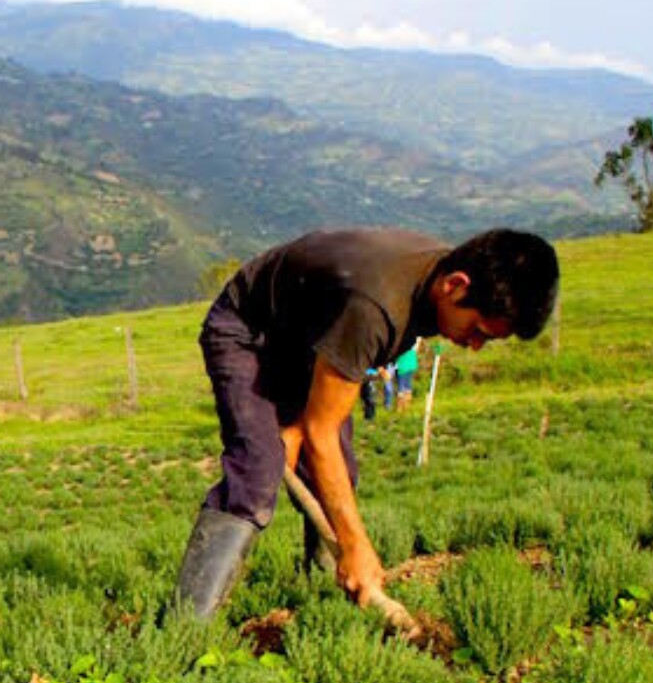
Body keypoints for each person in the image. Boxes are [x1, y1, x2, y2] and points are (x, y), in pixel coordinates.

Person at [174, 227, 558, 618]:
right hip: (248, 331)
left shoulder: (434, 279)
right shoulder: (377, 304)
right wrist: (357, 544)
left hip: (309, 343)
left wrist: (293, 430)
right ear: (456, 285)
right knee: (258, 472)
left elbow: (317, 425)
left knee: (338, 474)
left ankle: (328, 600)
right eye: (477, 330)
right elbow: (319, 431)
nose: (474, 346)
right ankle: (187, 625)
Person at [393, 339, 421, 412]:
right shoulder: (414, 340)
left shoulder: (400, 341)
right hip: (411, 363)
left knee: (401, 386)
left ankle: (399, 408)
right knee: (408, 385)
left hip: (402, 365)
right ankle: (407, 407)